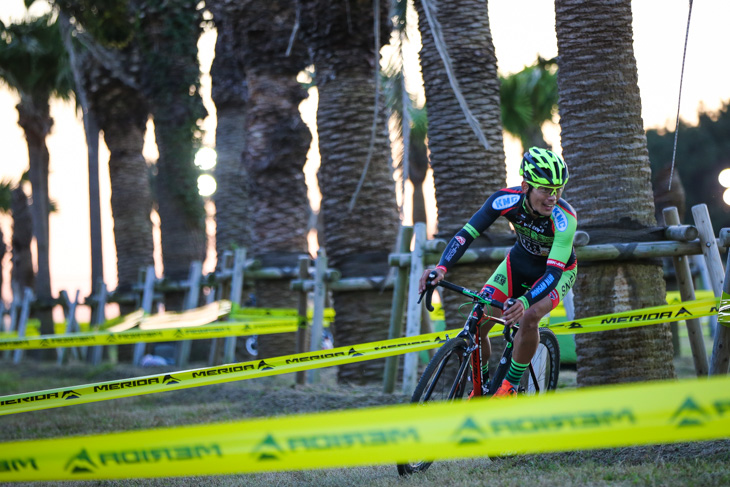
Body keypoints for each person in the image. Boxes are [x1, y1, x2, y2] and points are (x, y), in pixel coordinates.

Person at [418, 147, 578, 398]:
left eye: (559, 189)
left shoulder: (565, 219)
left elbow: (553, 272)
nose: (553, 198)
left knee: (529, 316)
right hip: (519, 262)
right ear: (525, 186)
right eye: (546, 190)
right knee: (479, 317)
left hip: (557, 272)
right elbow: (466, 234)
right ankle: (480, 386)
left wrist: (524, 301)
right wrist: (441, 268)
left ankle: (509, 385)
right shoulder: (504, 200)